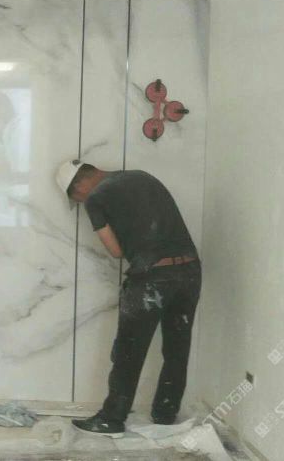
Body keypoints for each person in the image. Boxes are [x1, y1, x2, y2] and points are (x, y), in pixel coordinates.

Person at [55, 159, 201, 437]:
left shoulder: (96, 198)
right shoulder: (142, 176)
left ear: (78, 187)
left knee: (128, 351)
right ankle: (165, 415)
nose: (81, 201)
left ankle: (111, 418)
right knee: (177, 348)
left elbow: (116, 251)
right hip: (190, 271)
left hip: (153, 276)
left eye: (76, 198)